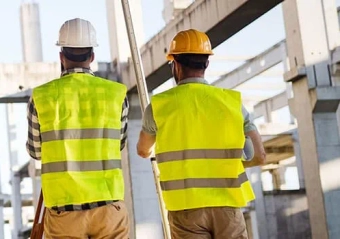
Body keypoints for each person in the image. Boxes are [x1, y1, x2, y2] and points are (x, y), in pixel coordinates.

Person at [135, 29, 267, 239]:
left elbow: (143, 150)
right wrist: (228, 165)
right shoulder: (232, 104)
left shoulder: (159, 106)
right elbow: (259, 156)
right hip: (227, 204)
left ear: (175, 65)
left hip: (185, 208)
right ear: (207, 63)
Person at [26, 18, 130, 238]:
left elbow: (36, 152)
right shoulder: (116, 94)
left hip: (65, 210)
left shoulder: (41, 96)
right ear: (92, 56)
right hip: (108, 206)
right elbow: (118, 143)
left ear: (61, 56)